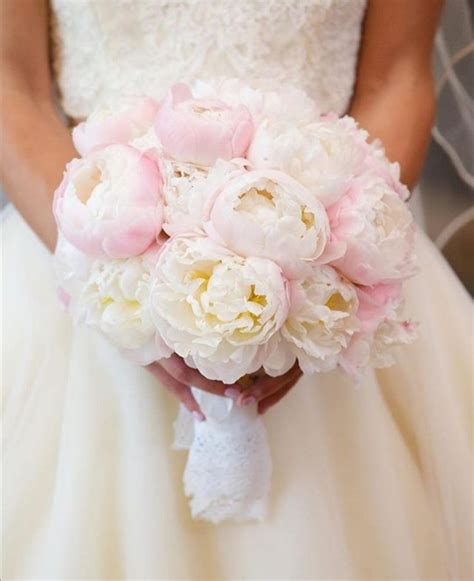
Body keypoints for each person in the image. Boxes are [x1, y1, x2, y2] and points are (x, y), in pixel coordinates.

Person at [2, 0, 471, 578]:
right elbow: (10, 84)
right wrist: (120, 279)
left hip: (326, 271)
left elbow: (396, 75)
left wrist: (323, 281)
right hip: (74, 259)